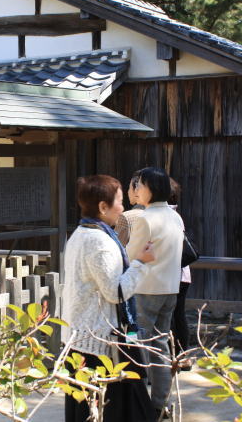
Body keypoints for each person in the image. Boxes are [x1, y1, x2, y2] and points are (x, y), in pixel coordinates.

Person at [62, 175, 156, 422]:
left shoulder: (81, 233)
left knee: (85, 408)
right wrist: (141, 264)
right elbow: (116, 293)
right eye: (119, 202)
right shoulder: (99, 241)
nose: (123, 208)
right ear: (103, 207)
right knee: (107, 409)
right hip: (99, 341)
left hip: (80, 335)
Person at [126, 167, 185, 415]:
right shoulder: (175, 216)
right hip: (169, 288)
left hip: (145, 288)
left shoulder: (145, 219)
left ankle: (139, 402)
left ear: (151, 188)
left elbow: (130, 255)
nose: (137, 189)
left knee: (138, 345)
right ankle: (161, 402)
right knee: (160, 345)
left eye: (140, 185)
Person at [167, 178, 192, 365]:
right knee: (178, 316)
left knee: (175, 317)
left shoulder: (168, 215)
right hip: (181, 273)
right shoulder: (174, 214)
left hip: (174, 273)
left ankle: (180, 356)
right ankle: (182, 356)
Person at [116, 170, 144, 246]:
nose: (128, 192)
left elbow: (117, 247)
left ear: (137, 190)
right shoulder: (168, 213)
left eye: (129, 188)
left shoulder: (126, 217)